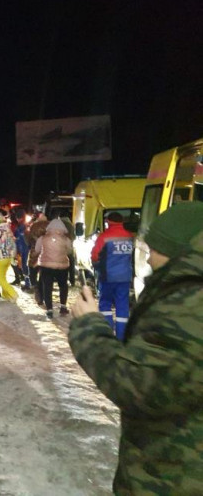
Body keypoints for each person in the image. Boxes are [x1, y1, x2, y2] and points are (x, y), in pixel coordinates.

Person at [69, 202, 203, 495]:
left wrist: (89, 326)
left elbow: (137, 385)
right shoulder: (184, 292)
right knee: (121, 309)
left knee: (106, 306)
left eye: (154, 249)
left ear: (178, 251)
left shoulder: (189, 305)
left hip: (174, 477)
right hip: (177, 467)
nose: (149, 257)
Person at [91, 211, 134, 339]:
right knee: (122, 306)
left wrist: (97, 265)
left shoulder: (104, 237)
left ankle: (108, 333)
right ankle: (121, 336)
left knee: (105, 304)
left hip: (108, 277)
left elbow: (95, 255)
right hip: (125, 277)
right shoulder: (129, 236)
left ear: (108, 222)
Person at [35, 217, 72, 318]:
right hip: (62, 266)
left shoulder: (42, 238)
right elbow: (69, 251)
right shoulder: (66, 239)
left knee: (47, 287)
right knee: (63, 286)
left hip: (46, 266)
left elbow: (37, 249)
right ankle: (63, 307)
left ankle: (49, 309)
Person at [0, 213, 18, 303]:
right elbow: (13, 246)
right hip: (8, 258)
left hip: (0, 258)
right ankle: (7, 296)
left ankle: (13, 294)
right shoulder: (9, 233)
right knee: (3, 277)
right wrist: (13, 257)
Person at [26, 212, 48, 301]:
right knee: (44, 272)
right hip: (47, 252)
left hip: (35, 251)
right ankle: (42, 290)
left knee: (33, 270)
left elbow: (28, 239)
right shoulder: (50, 226)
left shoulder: (34, 226)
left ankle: (35, 286)